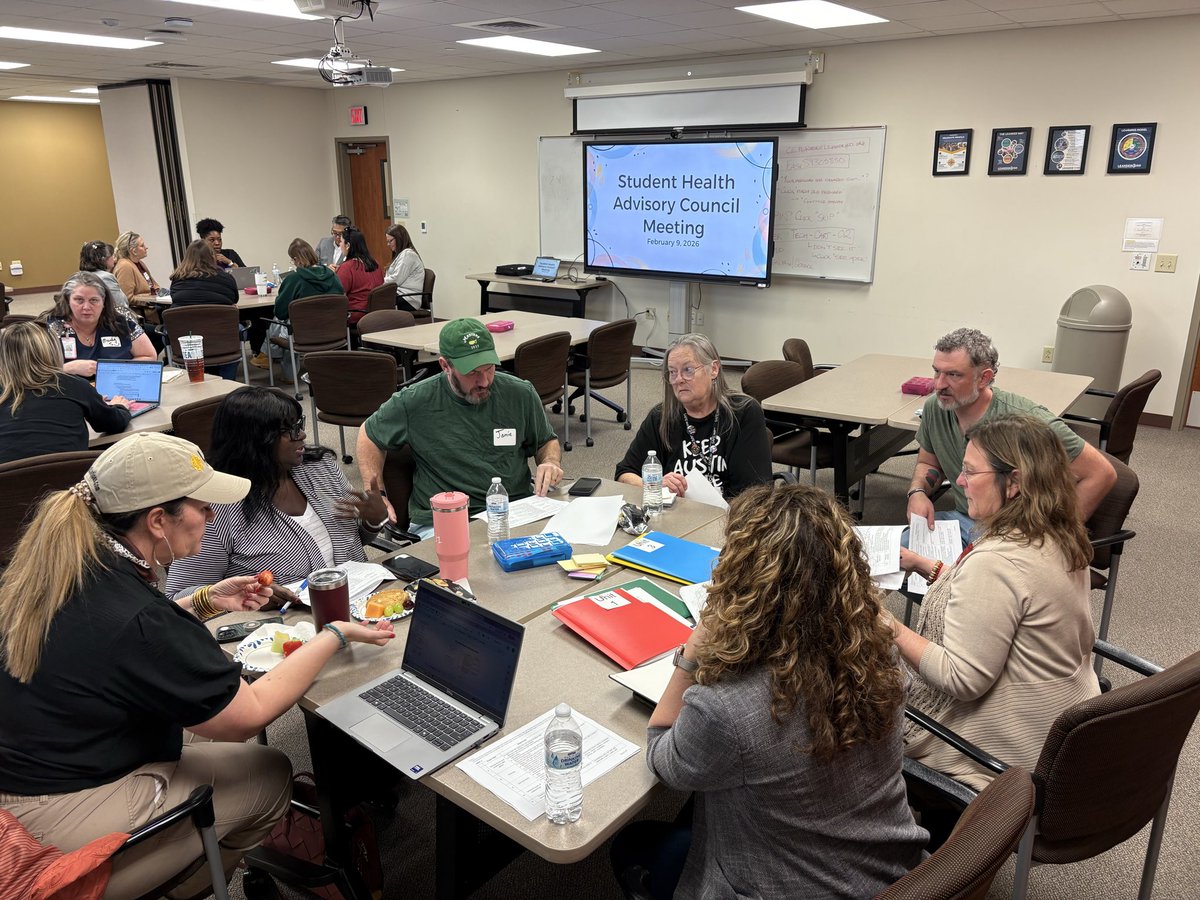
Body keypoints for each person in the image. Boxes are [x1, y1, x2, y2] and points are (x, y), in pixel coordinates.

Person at [0, 433, 394, 899]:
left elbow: (119, 639)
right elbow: (247, 713)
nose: (212, 516)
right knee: (267, 771)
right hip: (56, 816)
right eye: (202, 507)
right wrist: (334, 633)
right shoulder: (137, 613)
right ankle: (180, 885)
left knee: (201, 733)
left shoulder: (74, 561)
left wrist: (204, 601)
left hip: (34, 770)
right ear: (157, 521)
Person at [611, 483, 928, 898]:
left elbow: (662, 756)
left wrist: (691, 654)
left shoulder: (725, 708)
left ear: (741, 578)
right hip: (891, 870)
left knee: (631, 845)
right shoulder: (876, 649)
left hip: (783, 885)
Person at [890, 414, 1100, 793]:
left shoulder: (997, 561)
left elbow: (961, 678)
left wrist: (885, 625)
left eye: (971, 472)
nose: (959, 482)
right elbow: (1003, 606)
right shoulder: (1059, 534)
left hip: (1003, 752)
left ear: (1015, 482)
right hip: (1056, 726)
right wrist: (927, 566)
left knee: (851, 692)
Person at [166, 387, 388, 603]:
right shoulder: (218, 507)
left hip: (362, 602)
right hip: (285, 627)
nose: (301, 435)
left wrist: (373, 522)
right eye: (289, 430)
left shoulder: (321, 469)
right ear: (256, 440)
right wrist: (247, 593)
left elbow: (352, 542)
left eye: (299, 425)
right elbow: (178, 596)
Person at [906, 327, 1116, 547]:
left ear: (983, 378)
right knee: (888, 556)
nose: (939, 385)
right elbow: (928, 462)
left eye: (953, 375)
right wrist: (917, 492)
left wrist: (1054, 539)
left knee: (949, 576)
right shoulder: (935, 408)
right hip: (963, 522)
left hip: (1013, 536)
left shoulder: (1025, 421)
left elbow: (1102, 473)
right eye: (937, 372)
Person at [356, 318, 563, 535]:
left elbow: (545, 441)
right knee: (472, 565)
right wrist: (376, 493)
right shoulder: (415, 401)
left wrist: (550, 462)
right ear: (445, 366)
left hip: (513, 510)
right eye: (472, 372)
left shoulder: (520, 393)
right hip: (443, 519)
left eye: (489, 368)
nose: (484, 381)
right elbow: (368, 434)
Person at [616, 333, 771, 500]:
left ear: (713, 369)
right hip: (676, 517)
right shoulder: (662, 417)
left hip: (731, 518)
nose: (678, 380)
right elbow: (624, 474)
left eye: (688, 370)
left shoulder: (743, 413)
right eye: (672, 372)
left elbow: (757, 495)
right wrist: (654, 485)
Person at [0, 321, 130, 464]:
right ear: (52, 350)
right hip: (68, 481)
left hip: (7, 483)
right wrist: (119, 406)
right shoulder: (73, 385)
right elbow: (112, 423)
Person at [252, 238, 345, 370]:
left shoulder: (294, 279)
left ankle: (276, 363)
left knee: (279, 321)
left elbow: (280, 311)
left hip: (303, 334)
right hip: (333, 330)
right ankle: (266, 357)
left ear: (296, 259)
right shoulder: (333, 276)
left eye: (292, 259)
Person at [44, 271, 157, 378]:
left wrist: (112, 372)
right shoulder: (52, 327)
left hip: (117, 389)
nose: (86, 307)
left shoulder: (120, 320)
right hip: (70, 393)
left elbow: (149, 356)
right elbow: (33, 372)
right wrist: (67, 368)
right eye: (79, 300)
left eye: (94, 300)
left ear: (103, 301)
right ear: (68, 301)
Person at [168, 239, 239, 307]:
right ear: (212, 256)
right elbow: (234, 299)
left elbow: (174, 298)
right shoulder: (227, 278)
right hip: (219, 318)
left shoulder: (177, 279)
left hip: (185, 319)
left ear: (187, 257)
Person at [336, 228, 384, 325]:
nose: (339, 245)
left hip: (357, 316)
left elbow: (337, 295)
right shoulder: (375, 264)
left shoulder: (346, 268)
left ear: (348, 245)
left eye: (341, 242)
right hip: (377, 314)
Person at [383, 223, 425, 311]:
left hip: (408, 299)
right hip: (400, 295)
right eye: (387, 241)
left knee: (376, 301)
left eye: (390, 241)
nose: (388, 244)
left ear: (399, 239)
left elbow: (396, 280)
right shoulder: (400, 255)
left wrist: (378, 282)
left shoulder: (408, 254)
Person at [78, 239, 130, 309]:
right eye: (112, 255)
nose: (114, 259)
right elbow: (119, 305)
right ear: (103, 259)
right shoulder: (106, 278)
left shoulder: (79, 276)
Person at [112, 230, 161, 300]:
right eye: (142, 245)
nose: (146, 247)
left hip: (154, 306)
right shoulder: (125, 266)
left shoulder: (140, 263)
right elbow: (127, 298)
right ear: (134, 251)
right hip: (141, 309)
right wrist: (151, 299)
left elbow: (154, 286)